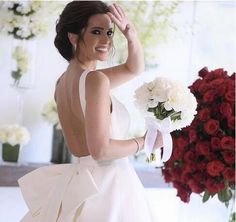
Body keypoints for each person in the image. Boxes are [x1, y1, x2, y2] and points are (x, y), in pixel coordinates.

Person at [18, 1, 163, 222]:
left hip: (83, 182)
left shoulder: (63, 82)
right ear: (73, 37)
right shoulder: (95, 80)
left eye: (109, 32)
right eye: (97, 32)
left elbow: (133, 68)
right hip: (108, 189)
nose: (107, 40)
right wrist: (146, 141)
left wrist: (130, 35)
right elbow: (101, 151)